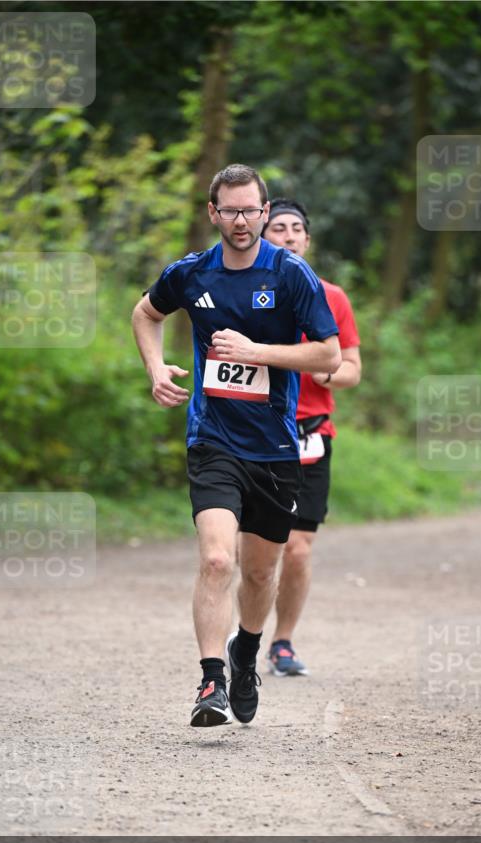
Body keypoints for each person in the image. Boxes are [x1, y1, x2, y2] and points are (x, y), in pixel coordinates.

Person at [131, 164, 341, 727]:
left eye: (251, 210)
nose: (241, 220)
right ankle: (211, 681)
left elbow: (330, 356)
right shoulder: (193, 272)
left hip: (274, 448)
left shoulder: (294, 275)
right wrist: (155, 369)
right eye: (230, 210)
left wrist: (259, 353)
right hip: (212, 439)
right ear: (213, 213)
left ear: (265, 211)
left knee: (258, 572)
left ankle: (246, 652)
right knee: (219, 558)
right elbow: (144, 312)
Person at [262, 199, 361, 676]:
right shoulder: (251, 290)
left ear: (307, 239)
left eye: (296, 228)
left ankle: (282, 642)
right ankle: (248, 631)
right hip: (256, 431)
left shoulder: (332, 297)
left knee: (298, 548)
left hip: (311, 435)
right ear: (264, 235)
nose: (288, 235)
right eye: (278, 227)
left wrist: (323, 372)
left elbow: (353, 370)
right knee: (257, 549)